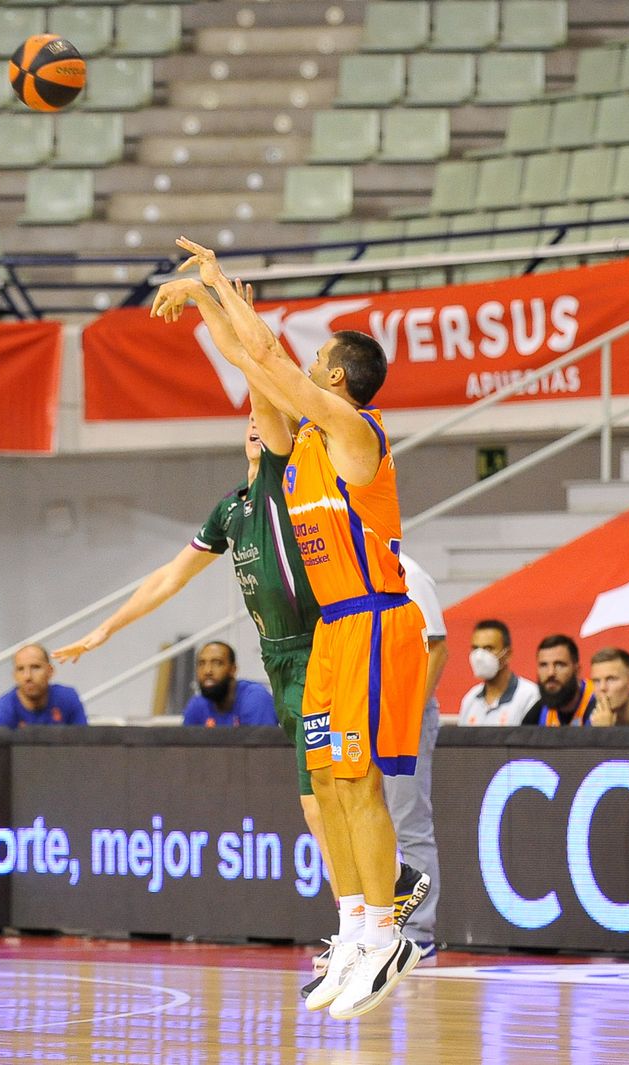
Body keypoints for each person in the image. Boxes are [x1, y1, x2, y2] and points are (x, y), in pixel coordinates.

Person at [51, 405, 429, 986]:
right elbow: (170, 576)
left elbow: (269, 403)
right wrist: (107, 629)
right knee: (317, 802)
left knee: (322, 799)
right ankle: (382, 891)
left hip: (317, 647)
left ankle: (362, 924)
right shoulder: (231, 509)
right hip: (278, 660)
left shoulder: (285, 480)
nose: (256, 423)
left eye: (265, 416)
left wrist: (244, 350)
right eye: (248, 418)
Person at [152, 236, 429, 1020]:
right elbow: (255, 364)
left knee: (360, 782)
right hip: (334, 629)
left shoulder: (355, 434)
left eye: (318, 361)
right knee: (329, 785)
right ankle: (354, 928)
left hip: (373, 618)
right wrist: (208, 306)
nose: (303, 365)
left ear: (336, 378)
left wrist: (214, 285)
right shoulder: (301, 443)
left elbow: (269, 358)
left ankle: (389, 936)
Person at [384, 553, 447, 954]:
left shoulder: (410, 572)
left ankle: (418, 932)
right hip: (366, 710)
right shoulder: (349, 567)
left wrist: (408, 713)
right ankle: (375, 928)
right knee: (366, 820)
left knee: (409, 823)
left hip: (405, 711)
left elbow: (436, 648)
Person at [459, 620, 540, 726]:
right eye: (475, 648)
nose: (479, 656)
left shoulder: (530, 696)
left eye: (488, 648)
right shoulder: (470, 699)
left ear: (507, 654)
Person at [0, 644, 88, 728]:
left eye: (35, 667)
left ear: (50, 671)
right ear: (14, 675)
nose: (27, 676)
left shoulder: (68, 698)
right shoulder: (0, 712)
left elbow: (84, 743)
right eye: (20, 669)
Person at [180, 642, 278, 727]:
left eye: (217, 663)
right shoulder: (197, 704)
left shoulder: (256, 699)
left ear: (233, 669)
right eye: (201, 663)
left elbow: (262, 743)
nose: (207, 671)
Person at [526, 634, 596, 727]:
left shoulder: (599, 700)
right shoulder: (536, 714)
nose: (550, 673)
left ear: (577, 670)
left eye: (559, 665)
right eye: (544, 665)